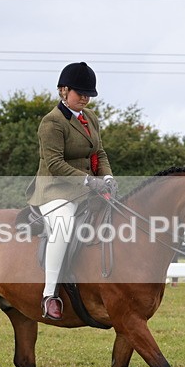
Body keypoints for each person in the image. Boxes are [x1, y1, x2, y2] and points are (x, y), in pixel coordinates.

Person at [26, 62, 117, 320]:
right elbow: (54, 164)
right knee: (64, 227)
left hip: (86, 191)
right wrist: (90, 182)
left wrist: (107, 177)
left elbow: (99, 152)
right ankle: (49, 294)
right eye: (80, 93)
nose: (85, 98)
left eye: (88, 94)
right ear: (63, 90)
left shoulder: (91, 119)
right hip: (55, 191)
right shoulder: (52, 123)